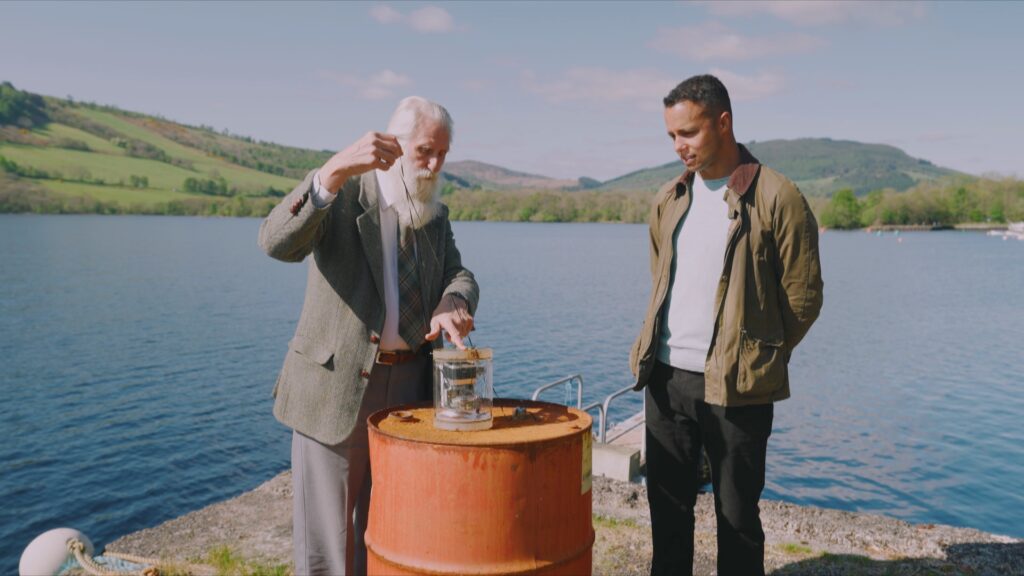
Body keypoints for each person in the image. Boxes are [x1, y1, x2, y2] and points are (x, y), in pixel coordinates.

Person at [258, 96, 479, 576]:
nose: (435, 164)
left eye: (443, 153)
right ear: (394, 143)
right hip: (337, 390)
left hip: (412, 390)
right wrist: (330, 172)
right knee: (328, 547)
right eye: (425, 151)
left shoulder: (433, 213)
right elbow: (275, 241)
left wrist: (454, 302)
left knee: (391, 531)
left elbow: (459, 274)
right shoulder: (341, 197)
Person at [629, 74, 823, 575]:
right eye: (672, 136)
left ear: (724, 122)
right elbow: (661, 279)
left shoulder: (779, 197)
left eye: (689, 133)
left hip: (739, 387)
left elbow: (803, 297)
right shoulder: (668, 197)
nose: (679, 146)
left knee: (736, 521)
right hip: (667, 382)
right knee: (667, 516)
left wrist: (757, 354)